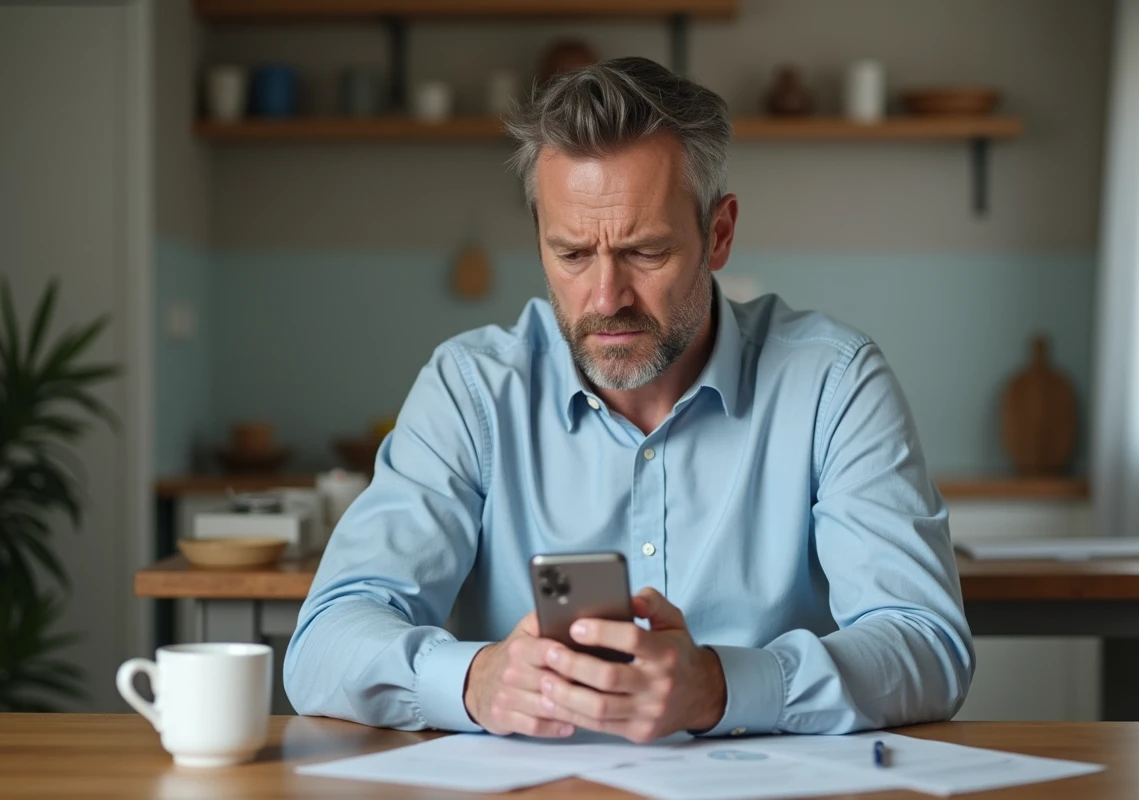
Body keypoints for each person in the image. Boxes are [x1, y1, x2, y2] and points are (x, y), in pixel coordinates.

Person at [284, 57, 974, 742]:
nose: (606, 299)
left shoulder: (834, 383)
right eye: (573, 255)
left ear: (719, 234)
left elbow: (926, 644)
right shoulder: (470, 391)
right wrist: (472, 681)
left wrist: (721, 686)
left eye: (645, 253)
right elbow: (325, 643)